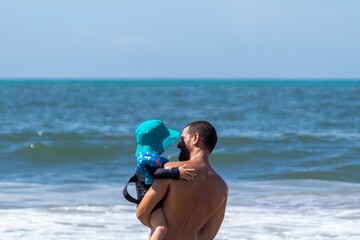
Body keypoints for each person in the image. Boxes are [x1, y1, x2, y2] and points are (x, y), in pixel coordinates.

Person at [136, 120, 228, 240]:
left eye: (183, 139)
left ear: (195, 138)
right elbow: (207, 235)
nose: (179, 145)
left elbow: (142, 213)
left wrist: (158, 226)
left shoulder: (170, 170)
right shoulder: (222, 188)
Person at [123, 119, 196, 240]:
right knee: (161, 228)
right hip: (148, 199)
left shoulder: (149, 156)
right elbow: (157, 174)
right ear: (157, 143)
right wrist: (177, 172)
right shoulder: (147, 158)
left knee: (155, 228)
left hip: (151, 198)